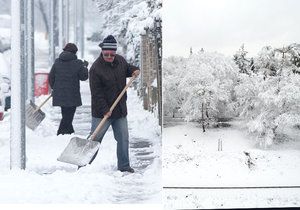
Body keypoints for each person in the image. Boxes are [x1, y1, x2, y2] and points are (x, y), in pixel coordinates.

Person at [88, 35, 140, 173]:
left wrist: (134, 70)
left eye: (112, 54)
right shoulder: (95, 69)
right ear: (102, 52)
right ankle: (84, 165)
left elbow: (127, 68)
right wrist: (105, 109)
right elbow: (96, 93)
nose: (110, 56)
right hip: (101, 113)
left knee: (123, 139)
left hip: (120, 111)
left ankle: (124, 166)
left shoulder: (120, 61)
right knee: (94, 139)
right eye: (107, 54)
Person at [49, 43, 88, 135]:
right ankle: (60, 133)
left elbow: (51, 77)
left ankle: (69, 133)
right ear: (74, 52)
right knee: (68, 116)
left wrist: (54, 89)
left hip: (60, 94)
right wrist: (85, 67)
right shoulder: (78, 63)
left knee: (66, 115)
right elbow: (84, 77)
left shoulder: (57, 62)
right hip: (72, 95)